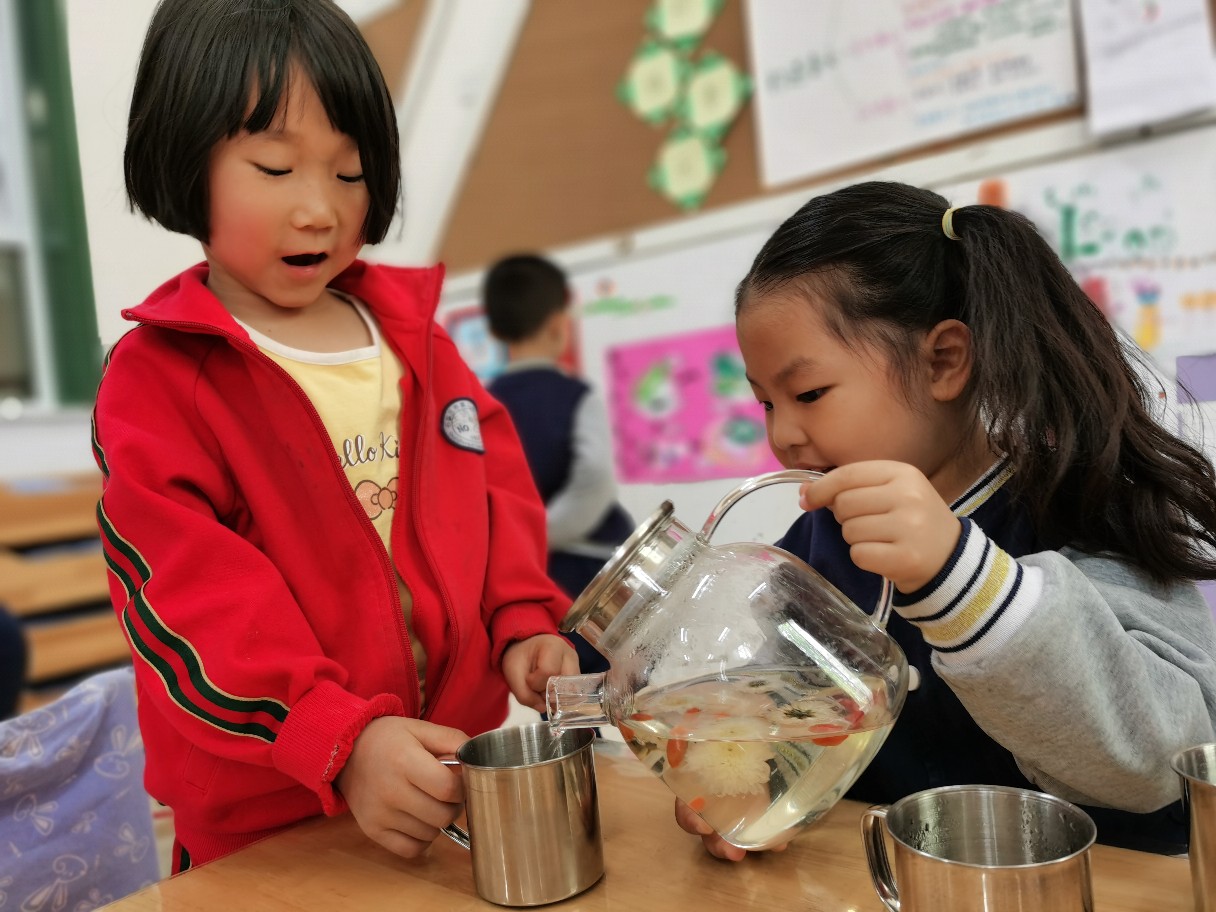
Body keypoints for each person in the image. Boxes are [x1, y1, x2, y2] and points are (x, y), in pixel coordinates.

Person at [94, 0, 577, 872]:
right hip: (269, 824)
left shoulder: (415, 340)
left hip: (444, 786)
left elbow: (493, 491)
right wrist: (339, 740)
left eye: (350, 173)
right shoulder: (159, 379)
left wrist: (521, 622)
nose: (319, 209)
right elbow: (187, 597)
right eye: (275, 168)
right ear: (183, 159)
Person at [676, 180, 1216, 858]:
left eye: (808, 393)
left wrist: (962, 580)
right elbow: (789, 713)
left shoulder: (1087, 501)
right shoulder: (817, 542)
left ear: (944, 361)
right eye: (765, 403)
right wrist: (754, 779)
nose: (781, 436)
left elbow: (1167, 758)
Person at [483, 254, 634, 676]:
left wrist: (522, 543)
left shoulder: (481, 405)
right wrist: (543, 534)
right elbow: (595, 479)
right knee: (616, 681)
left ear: (495, 331)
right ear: (557, 324)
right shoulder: (576, 396)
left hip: (524, 576)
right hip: (590, 570)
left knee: (554, 680)